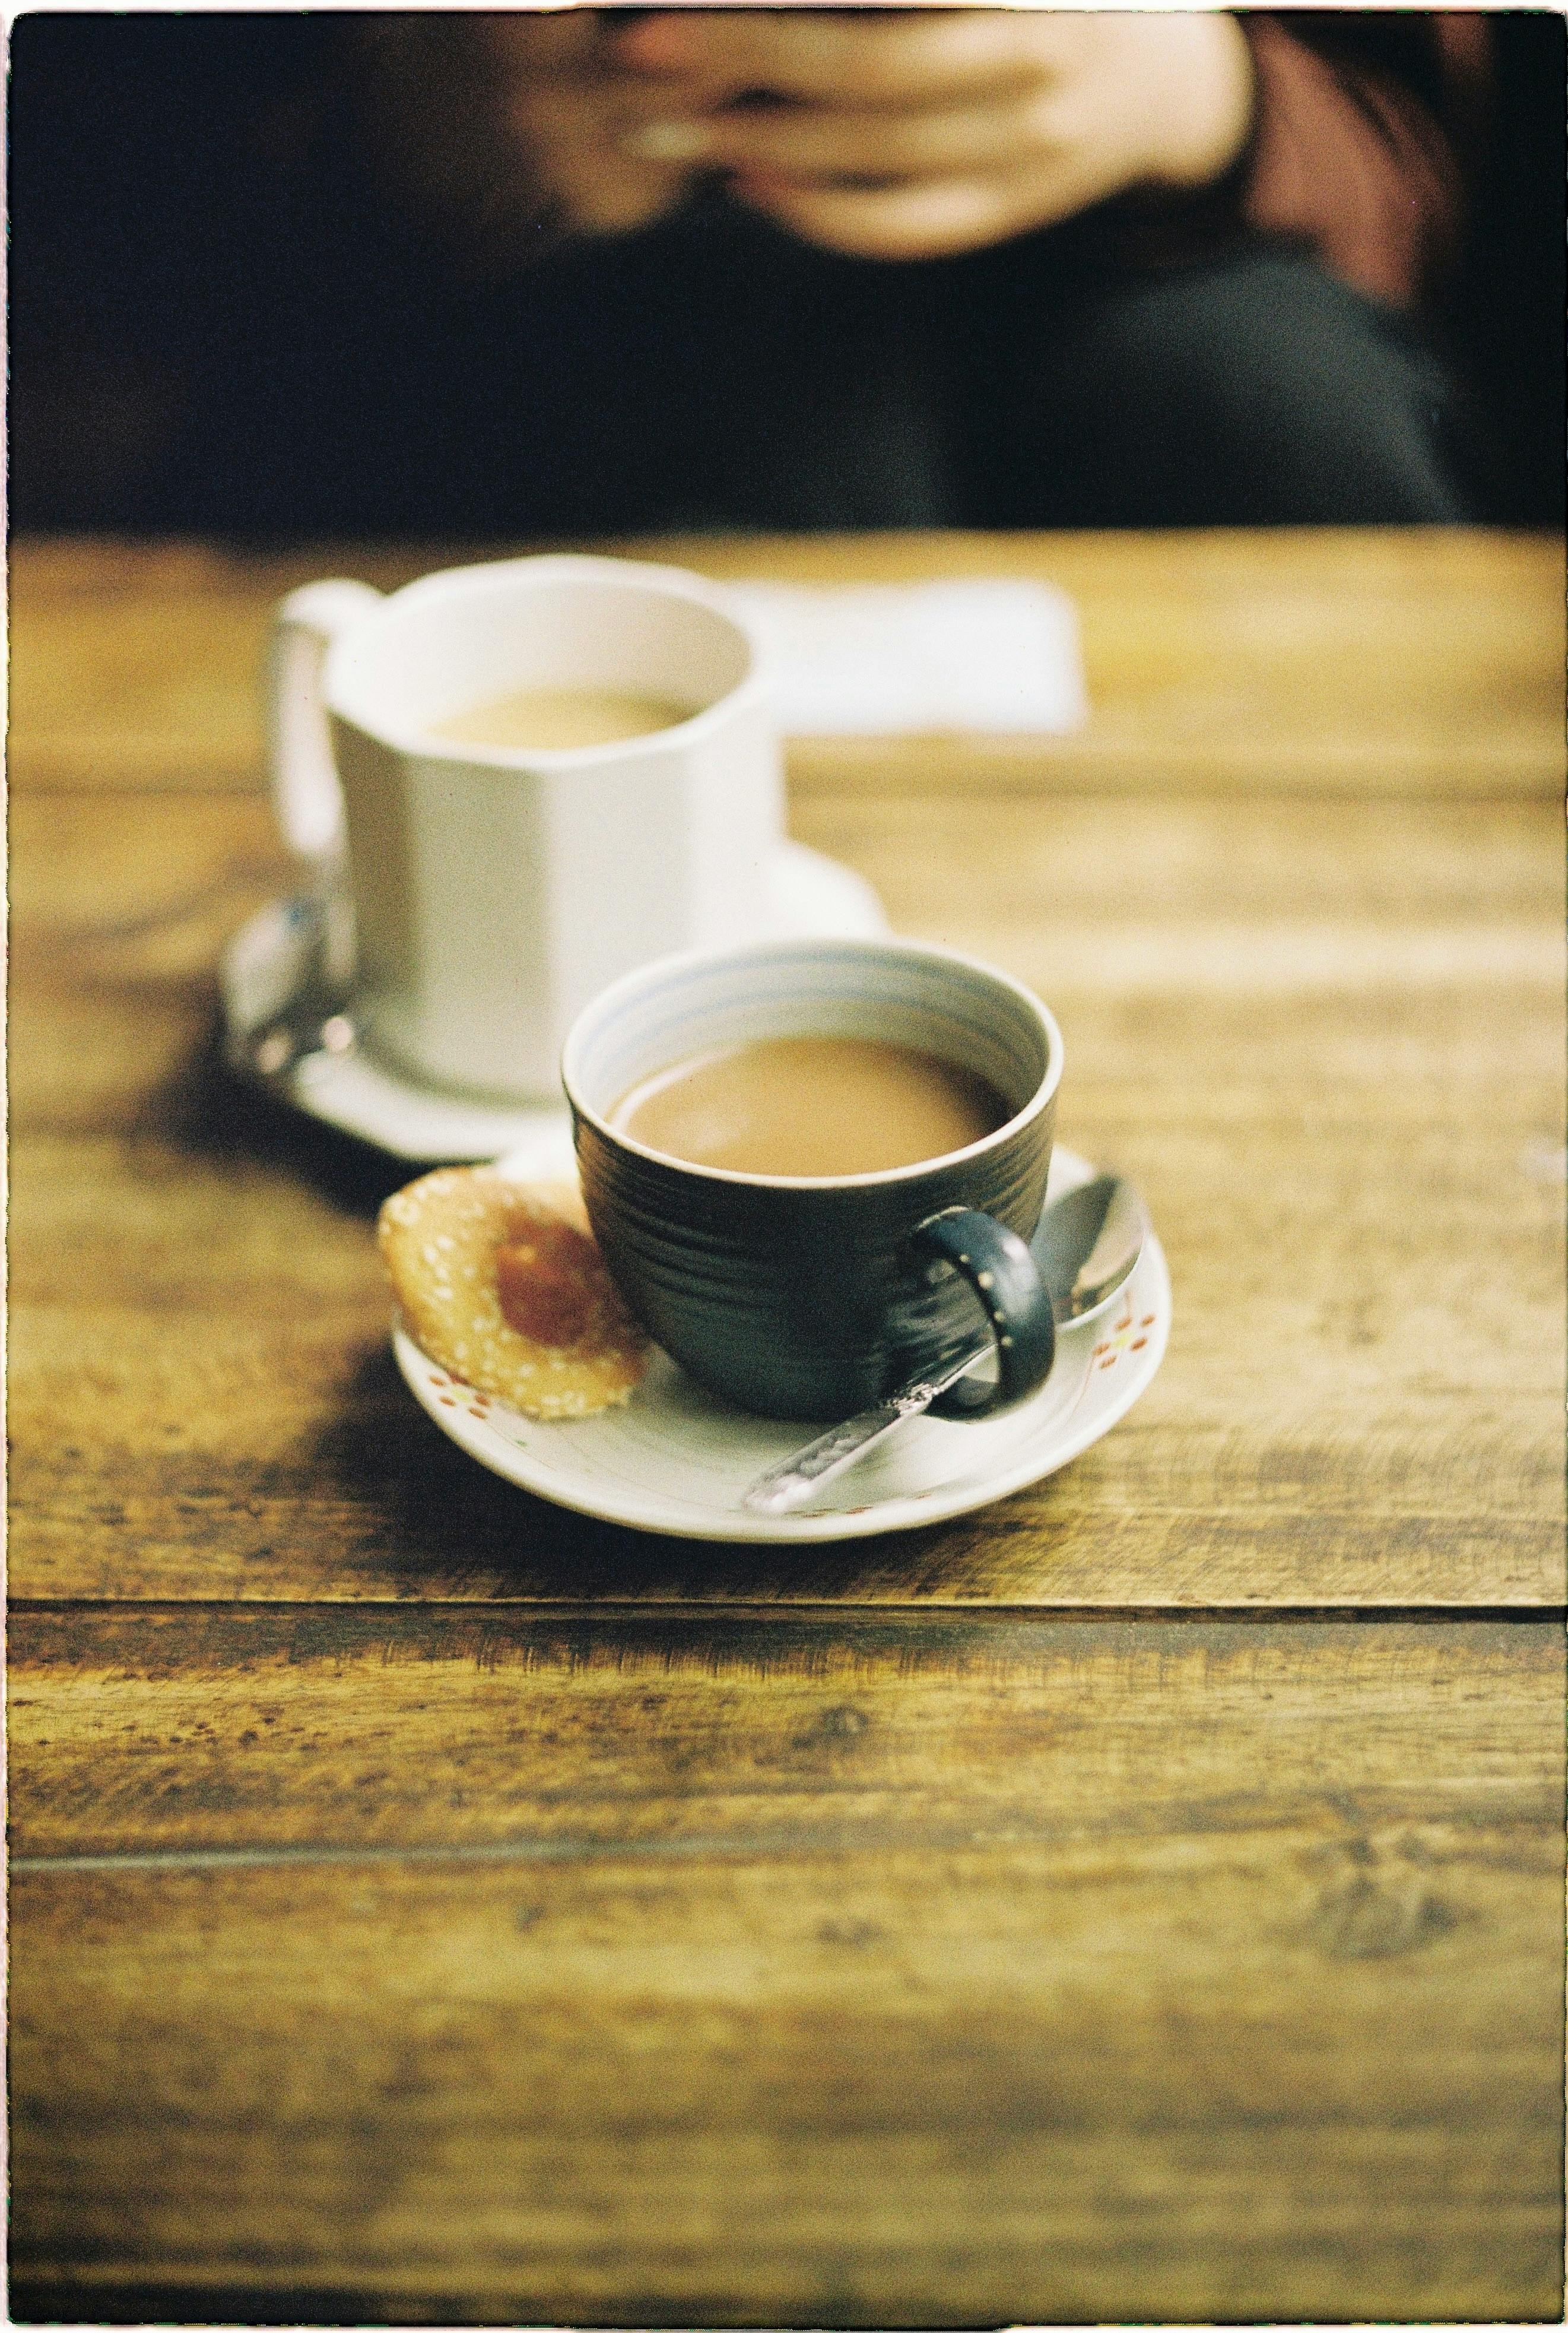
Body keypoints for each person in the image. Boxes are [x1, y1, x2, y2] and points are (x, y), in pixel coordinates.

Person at [8, 9, 1551, 538]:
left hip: (1161, 288)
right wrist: (404, 132)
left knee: (1263, 394)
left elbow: (1425, 139)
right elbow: (113, 156)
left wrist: (1195, 91)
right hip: (513, 298)